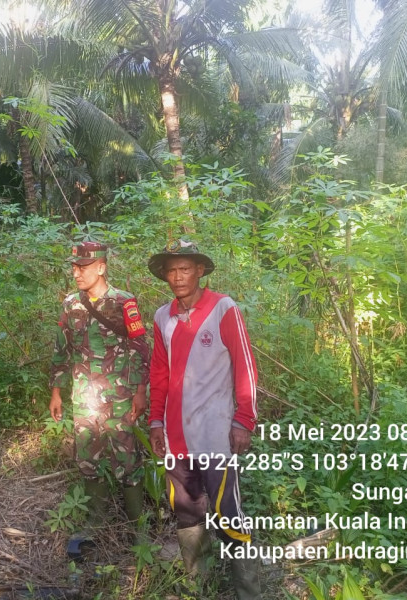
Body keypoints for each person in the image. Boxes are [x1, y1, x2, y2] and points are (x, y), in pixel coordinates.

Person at [147, 240, 261, 599]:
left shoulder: (223, 309)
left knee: (229, 513)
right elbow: (159, 375)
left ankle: (248, 591)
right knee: (187, 514)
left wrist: (244, 420)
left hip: (215, 434)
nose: (177, 277)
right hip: (176, 438)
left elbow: (245, 367)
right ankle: (199, 586)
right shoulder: (161, 317)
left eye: (185, 269)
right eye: (171, 270)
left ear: (199, 271)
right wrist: (155, 422)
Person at [49, 241, 151, 530]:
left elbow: (140, 347)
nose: (76, 273)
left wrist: (140, 391)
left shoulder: (124, 302)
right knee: (87, 458)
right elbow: (61, 349)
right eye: (73, 268)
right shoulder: (71, 304)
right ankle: (96, 522)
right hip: (84, 396)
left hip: (120, 395)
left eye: (82, 267)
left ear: (101, 267)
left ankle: (137, 527)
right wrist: (56, 391)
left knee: (128, 459)